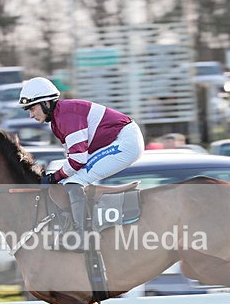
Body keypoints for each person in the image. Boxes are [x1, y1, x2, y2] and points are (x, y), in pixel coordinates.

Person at [19, 77, 145, 251]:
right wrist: (55, 178)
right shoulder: (58, 119)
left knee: (74, 182)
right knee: (67, 182)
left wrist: (53, 178)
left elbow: (78, 160)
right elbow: (72, 159)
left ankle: (80, 237)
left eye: (32, 108)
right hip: (119, 139)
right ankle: (73, 228)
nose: (31, 115)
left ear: (46, 103)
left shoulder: (65, 116)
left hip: (125, 142)